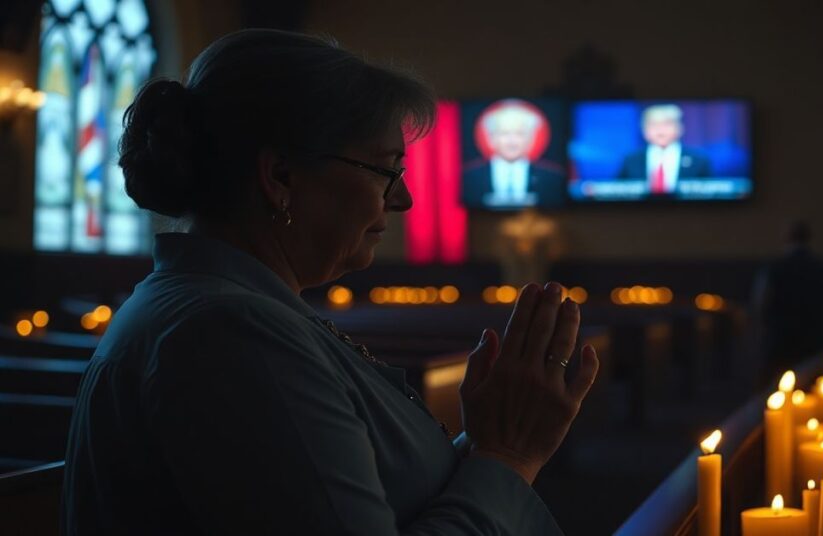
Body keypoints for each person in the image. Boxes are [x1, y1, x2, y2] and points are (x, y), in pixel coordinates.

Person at [61, 29, 599, 535]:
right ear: (281, 177)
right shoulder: (229, 334)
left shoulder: (224, 309)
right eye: (387, 170)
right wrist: (507, 457)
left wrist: (481, 442)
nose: (403, 199)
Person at [751, 221, 823, 383]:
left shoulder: (774, 269)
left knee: (776, 389)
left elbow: (760, 304)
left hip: (780, 340)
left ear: (786, 238)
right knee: (811, 386)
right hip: (816, 340)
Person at [462, 100, 564, 208]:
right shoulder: (468, 177)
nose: (512, 141)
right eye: (504, 133)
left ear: (531, 139)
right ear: (491, 138)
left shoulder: (553, 178)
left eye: (519, 134)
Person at [618, 104, 711, 195]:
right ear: (644, 130)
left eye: (667, 124)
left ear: (679, 128)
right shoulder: (630, 160)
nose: (660, 130)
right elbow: (617, 194)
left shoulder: (699, 160)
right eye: (654, 125)